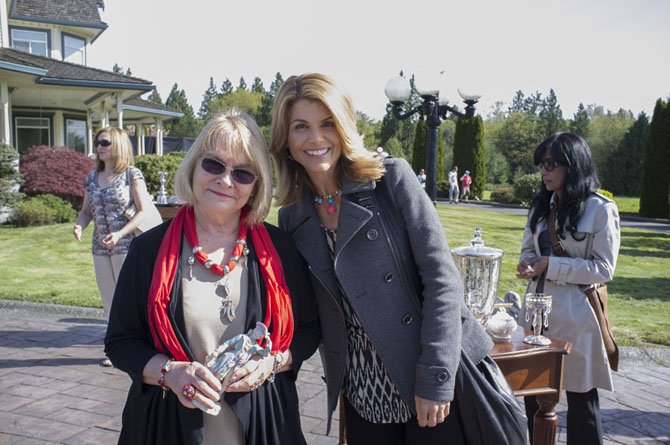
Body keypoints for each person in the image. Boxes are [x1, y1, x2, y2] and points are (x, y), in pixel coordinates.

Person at [270, 72, 493, 445]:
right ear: (285, 139)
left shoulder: (391, 180)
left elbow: (442, 281)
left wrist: (436, 377)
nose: (316, 138)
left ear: (344, 127)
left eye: (327, 123)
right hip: (363, 389)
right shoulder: (292, 217)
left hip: (425, 373)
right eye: (300, 127)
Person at [104, 110, 320, 445]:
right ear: (194, 167)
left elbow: (308, 330)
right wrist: (170, 373)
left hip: (263, 426)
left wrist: (273, 363)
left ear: (257, 185)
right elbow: (120, 343)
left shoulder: (280, 249)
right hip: (169, 427)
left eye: (243, 173)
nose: (226, 180)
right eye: (214, 164)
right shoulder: (148, 250)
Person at [516, 132, 620, 445]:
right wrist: (527, 263)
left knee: (581, 402)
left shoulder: (600, 209)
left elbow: (603, 269)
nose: (543, 171)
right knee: (533, 398)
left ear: (572, 165)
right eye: (541, 164)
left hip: (576, 317)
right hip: (535, 313)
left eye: (550, 164)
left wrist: (551, 265)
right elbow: (527, 249)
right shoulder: (540, 205)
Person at [73, 127, 153, 367]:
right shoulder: (91, 177)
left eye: (105, 142)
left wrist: (120, 234)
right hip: (100, 248)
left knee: (128, 299)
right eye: (97, 142)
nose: (99, 147)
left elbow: (143, 211)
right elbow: (86, 211)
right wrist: (79, 225)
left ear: (117, 145)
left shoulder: (131, 175)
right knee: (108, 300)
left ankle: (141, 345)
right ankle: (115, 348)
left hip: (127, 244)